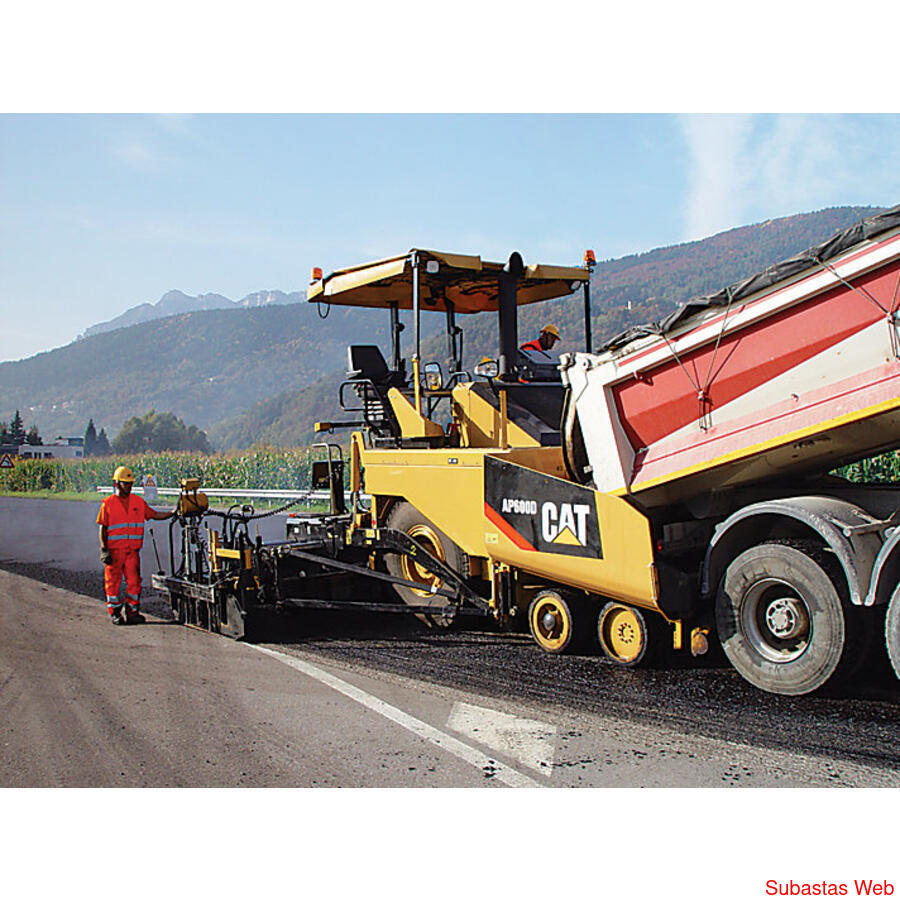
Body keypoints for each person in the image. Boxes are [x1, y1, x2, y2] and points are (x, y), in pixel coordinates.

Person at [98, 465, 174, 625]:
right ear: (117, 484)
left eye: (131, 483)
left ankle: (132, 613)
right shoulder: (108, 503)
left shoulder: (138, 502)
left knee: (134, 583)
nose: (129, 486)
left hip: (132, 552)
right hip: (114, 552)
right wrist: (104, 549)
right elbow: (103, 528)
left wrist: (172, 513)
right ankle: (115, 613)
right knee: (112, 584)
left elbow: (154, 514)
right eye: (126, 483)